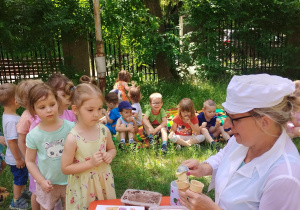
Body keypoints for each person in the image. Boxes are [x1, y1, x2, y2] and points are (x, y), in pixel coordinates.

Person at [178, 74, 300, 210]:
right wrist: (203, 168)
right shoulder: (247, 139)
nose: (227, 124)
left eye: (234, 118)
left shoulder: (284, 178)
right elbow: (224, 155)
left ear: (265, 122)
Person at [61, 83, 116, 210]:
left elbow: (112, 149)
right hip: (83, 187)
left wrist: (109, 155)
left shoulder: (104, 131)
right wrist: (90, 163)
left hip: (104, 182)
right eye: (90, 110)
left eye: (99, 109)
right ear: (75, 109)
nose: (96, 114)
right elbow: (65, 168)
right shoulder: (73, 138)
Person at [28, 74, 76, 210]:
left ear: (57, 101)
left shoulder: (71, 126)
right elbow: (30, 161)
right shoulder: (33, 134)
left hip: (70, 180)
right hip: (47, 183)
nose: (48, 110)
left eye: (52, 104)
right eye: (42, 107)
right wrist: (41, 181)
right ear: (34, 110)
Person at [0, 83, 29, 209]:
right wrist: (18, 159)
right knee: (19, 179)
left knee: (22, 177)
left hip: (18, 156)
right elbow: (11, 141)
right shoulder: (12, 120)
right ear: (15, 100)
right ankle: (16, 201)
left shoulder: (8, 116)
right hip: (17, 158)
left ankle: (22, 194)